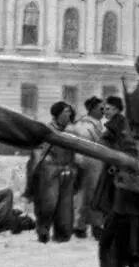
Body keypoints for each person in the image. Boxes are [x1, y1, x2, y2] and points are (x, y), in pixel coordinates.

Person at [26, 101, 78, 243]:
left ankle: (62, 233)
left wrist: (71, 167)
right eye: (66, 112)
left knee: (65, 206)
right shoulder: (46, 130)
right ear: (57, 114)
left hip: (67, 171)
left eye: (69, 112)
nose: (69, 114)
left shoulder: (70, 132)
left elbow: (74, 153)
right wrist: (52, 167)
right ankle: (43, 230)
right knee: (48, 203)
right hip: (49, 172)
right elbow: (39, 153)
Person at [68, 96, 106, 238]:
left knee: (97, 196)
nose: (103, 111)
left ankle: (96, 226)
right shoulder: (83, 125)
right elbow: (79, 146)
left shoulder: (101, 124)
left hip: (98, 165)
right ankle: (79, 226)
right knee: (84, 196)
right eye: (100, 108)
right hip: (86, 164)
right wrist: (79, 164)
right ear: (91, 109)